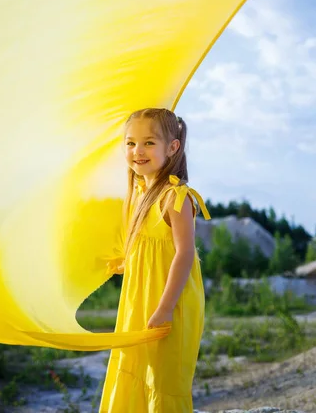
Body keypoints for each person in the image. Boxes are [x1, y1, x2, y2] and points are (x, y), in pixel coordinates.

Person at [99, 107, 211, 413]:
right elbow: (149, 249)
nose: (138, 151)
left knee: (164, 380)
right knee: (135, 369)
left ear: (172, 148)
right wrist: (124, 263)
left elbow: (184, 254)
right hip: (140, 301)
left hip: (170, 303)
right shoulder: (138, 194)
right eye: (131, 143)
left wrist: (164, 309)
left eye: (149, 142)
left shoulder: (176, 196)